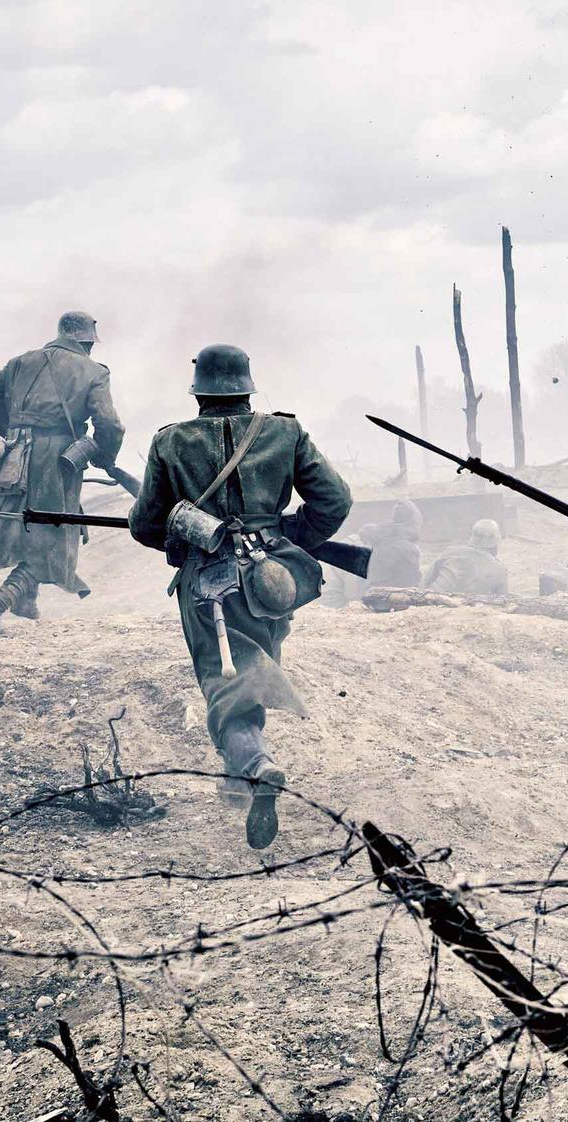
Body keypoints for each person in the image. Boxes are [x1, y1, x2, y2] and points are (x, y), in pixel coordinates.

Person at [128, 344, 353, 849]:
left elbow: (144, 525)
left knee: (224, 683)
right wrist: (282, 535)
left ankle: (255, 764)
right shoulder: (286, 432)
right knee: (251, 670)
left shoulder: (170, 442)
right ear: (248, 387)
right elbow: (335, 502)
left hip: (209, 581)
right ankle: (238, 777)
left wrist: (189, 534)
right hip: (271, 578)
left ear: (199, 393)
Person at [0, 311, 125, 634]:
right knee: (51, 535)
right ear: (87, 342)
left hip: (14, 456)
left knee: (29, 526)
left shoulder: (20, 362)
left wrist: (14, 430)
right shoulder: (94, 371)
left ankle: (26, 603)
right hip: (55, 460)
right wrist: (104, 457)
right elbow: (109, 424)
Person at [424, 518, 511, 595]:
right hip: (471, 607)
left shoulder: (450, 552)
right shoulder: (500, 569)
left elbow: (425, 582)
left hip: (433, 601)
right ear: (495, 544)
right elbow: (502, 601)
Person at [363, 500, 424, 588]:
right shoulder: (407, 549)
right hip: (392, 593)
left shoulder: (381, 536)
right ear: (415, 521)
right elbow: (409, 583)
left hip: (371, 591)